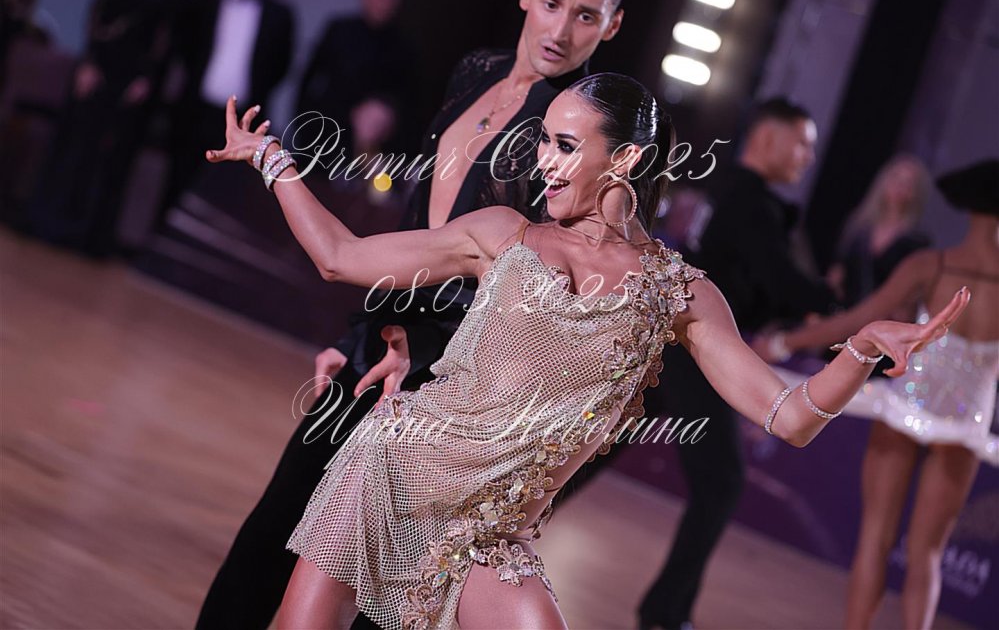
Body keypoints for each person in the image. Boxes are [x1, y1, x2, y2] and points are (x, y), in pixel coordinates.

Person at [205, 72, 969, 629]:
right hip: (391, 473)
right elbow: (340, 256)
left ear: (625, 161)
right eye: (543, 139)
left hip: (485, 536)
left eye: (565, 145)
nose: (543, 159)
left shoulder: (679, 294)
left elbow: (790, 415)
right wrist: (272, 159)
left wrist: (860, 349)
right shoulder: (502, 234)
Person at [194, 0, 625, 628]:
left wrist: (418, 350)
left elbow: (536, 286)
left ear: (613, 25)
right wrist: (359, 334)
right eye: (552, 3)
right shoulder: (476, 71)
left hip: (448, 385)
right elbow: (417, 227)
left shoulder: (577, 132)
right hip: (380, 346)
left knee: (383, 592)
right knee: (273, 532)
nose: (561, 30)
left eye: (586, 16)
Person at [758, 159, 998, 630]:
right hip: (965, 425)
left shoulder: (932, 265)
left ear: (968, 206)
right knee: (928, 554)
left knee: (875, 539)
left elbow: (858, 322)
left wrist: (784, 342)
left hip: (904, 408)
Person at [630, 98, 839, 630]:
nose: (809, 157)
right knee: (721, 481)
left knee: (594, 453)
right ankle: (664, 613)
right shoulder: (750, 203)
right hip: (695, 349)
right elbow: (778, 280)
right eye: (803, 143)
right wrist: (832, 301)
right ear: (767, 139)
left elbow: (757, 282)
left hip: (674, 342)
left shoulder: (731, 192)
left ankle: (664, 610)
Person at [25, 0, 184, 256]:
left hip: (130, 79)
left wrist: (145, 76)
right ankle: (48, 220)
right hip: (97, 70)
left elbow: (163, 40)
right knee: (74, 144)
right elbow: (97, 18)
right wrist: (89, 62)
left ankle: (84, 234)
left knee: (107, 158)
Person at [155, 0, 294, 230]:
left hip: (244, 119)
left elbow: (281, 65)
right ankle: (158, 241)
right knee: (177, 177)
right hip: (196, 109)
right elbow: (186, 48)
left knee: (223, 194)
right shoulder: (205, 3)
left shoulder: (280, 15)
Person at [295, 0, 415, 157]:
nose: (382, 1)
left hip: (384, 146)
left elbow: (410, 99)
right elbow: (309, 83)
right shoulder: (339, 32)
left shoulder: (406, 45)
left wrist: (385, 111)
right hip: (332, 137)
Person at [828, 154, 932, 308]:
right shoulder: (859, 226)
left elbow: (910, 292)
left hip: (882, 314)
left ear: (915, 192)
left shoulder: (916, 241)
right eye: (896, 178)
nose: (899, 187)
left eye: (907, 183)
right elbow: (838, 270)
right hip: (845, 309)